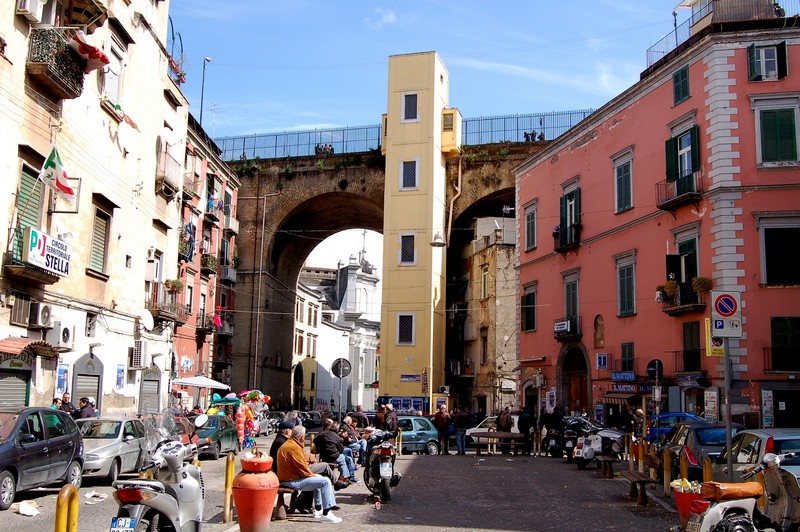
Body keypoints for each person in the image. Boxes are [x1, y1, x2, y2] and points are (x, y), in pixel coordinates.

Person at [277, 425, 342, 523]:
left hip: (289, 478)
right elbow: (303, 469)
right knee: (325, 481)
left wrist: (314, 475)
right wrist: (312, 475)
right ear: (302, 437)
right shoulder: (293, 447)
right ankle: (327, 513)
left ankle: (318, 509)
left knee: (319, 478)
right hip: (290, 481)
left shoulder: (291, 444)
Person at [314, 418, 357, 483]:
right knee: (343, 458)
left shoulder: (321, 434)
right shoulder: (336, 436)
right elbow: (341, 450)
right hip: (333, 456)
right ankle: (343, 478)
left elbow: (315, 441)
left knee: (347, 458)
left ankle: (346, 477)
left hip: (324, 455)